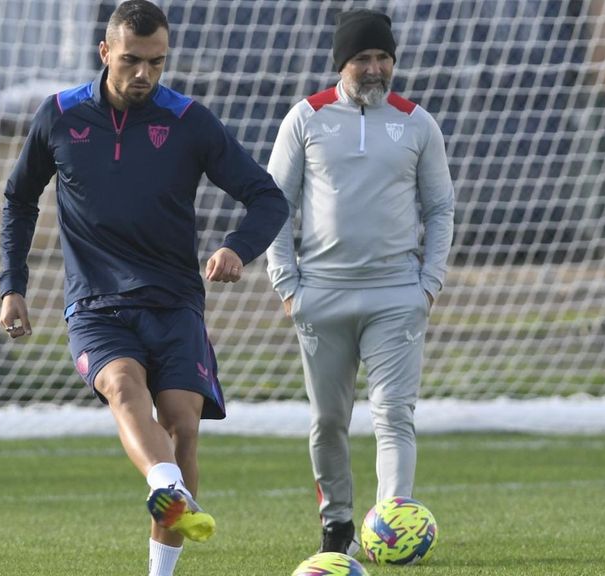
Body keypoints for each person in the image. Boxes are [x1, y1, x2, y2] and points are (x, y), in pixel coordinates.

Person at [0, 2, 288, 575]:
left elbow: (268, 196)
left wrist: (236, 248)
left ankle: (161, 561)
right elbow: (18, 199)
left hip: (175, 301)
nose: (143, 75)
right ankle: (165, 483)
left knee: (182, 424)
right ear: (105, 52)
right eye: (131, 60)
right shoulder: (58, 115)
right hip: (96, 304)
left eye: (156, 62)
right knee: (125, 387)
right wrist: (13, 285)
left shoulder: (190, 121)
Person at [265, 8, 454, 555]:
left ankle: (395, 531)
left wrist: (428, 284)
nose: (374, 69)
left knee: (394, 414)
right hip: (320, 294)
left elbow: (440, 208)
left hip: (398, 294)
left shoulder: (418, 122)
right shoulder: (305, 117)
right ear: (341, 63)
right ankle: (338, 527)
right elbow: (274, 205)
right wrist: (288, 286)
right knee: (328, 421)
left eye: (383, 58)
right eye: (363, 59)